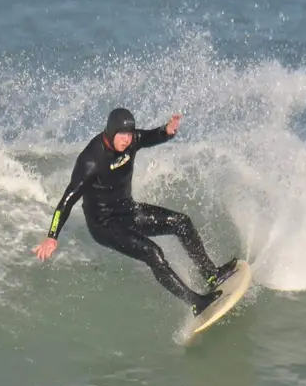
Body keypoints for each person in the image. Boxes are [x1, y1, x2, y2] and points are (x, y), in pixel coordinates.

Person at [32, 107, 239, 314]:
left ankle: (211, 275)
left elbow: (150, 136)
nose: (126, 140)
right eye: (121, 135)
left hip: (127, 211)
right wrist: (52, 236)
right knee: (153, 252)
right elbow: (65, 202)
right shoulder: (91, 161)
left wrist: (166, 131)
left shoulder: (131, 142)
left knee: (181, 222)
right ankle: (196, 302)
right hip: (104, 225)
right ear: (110, 133)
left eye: (129, 135)